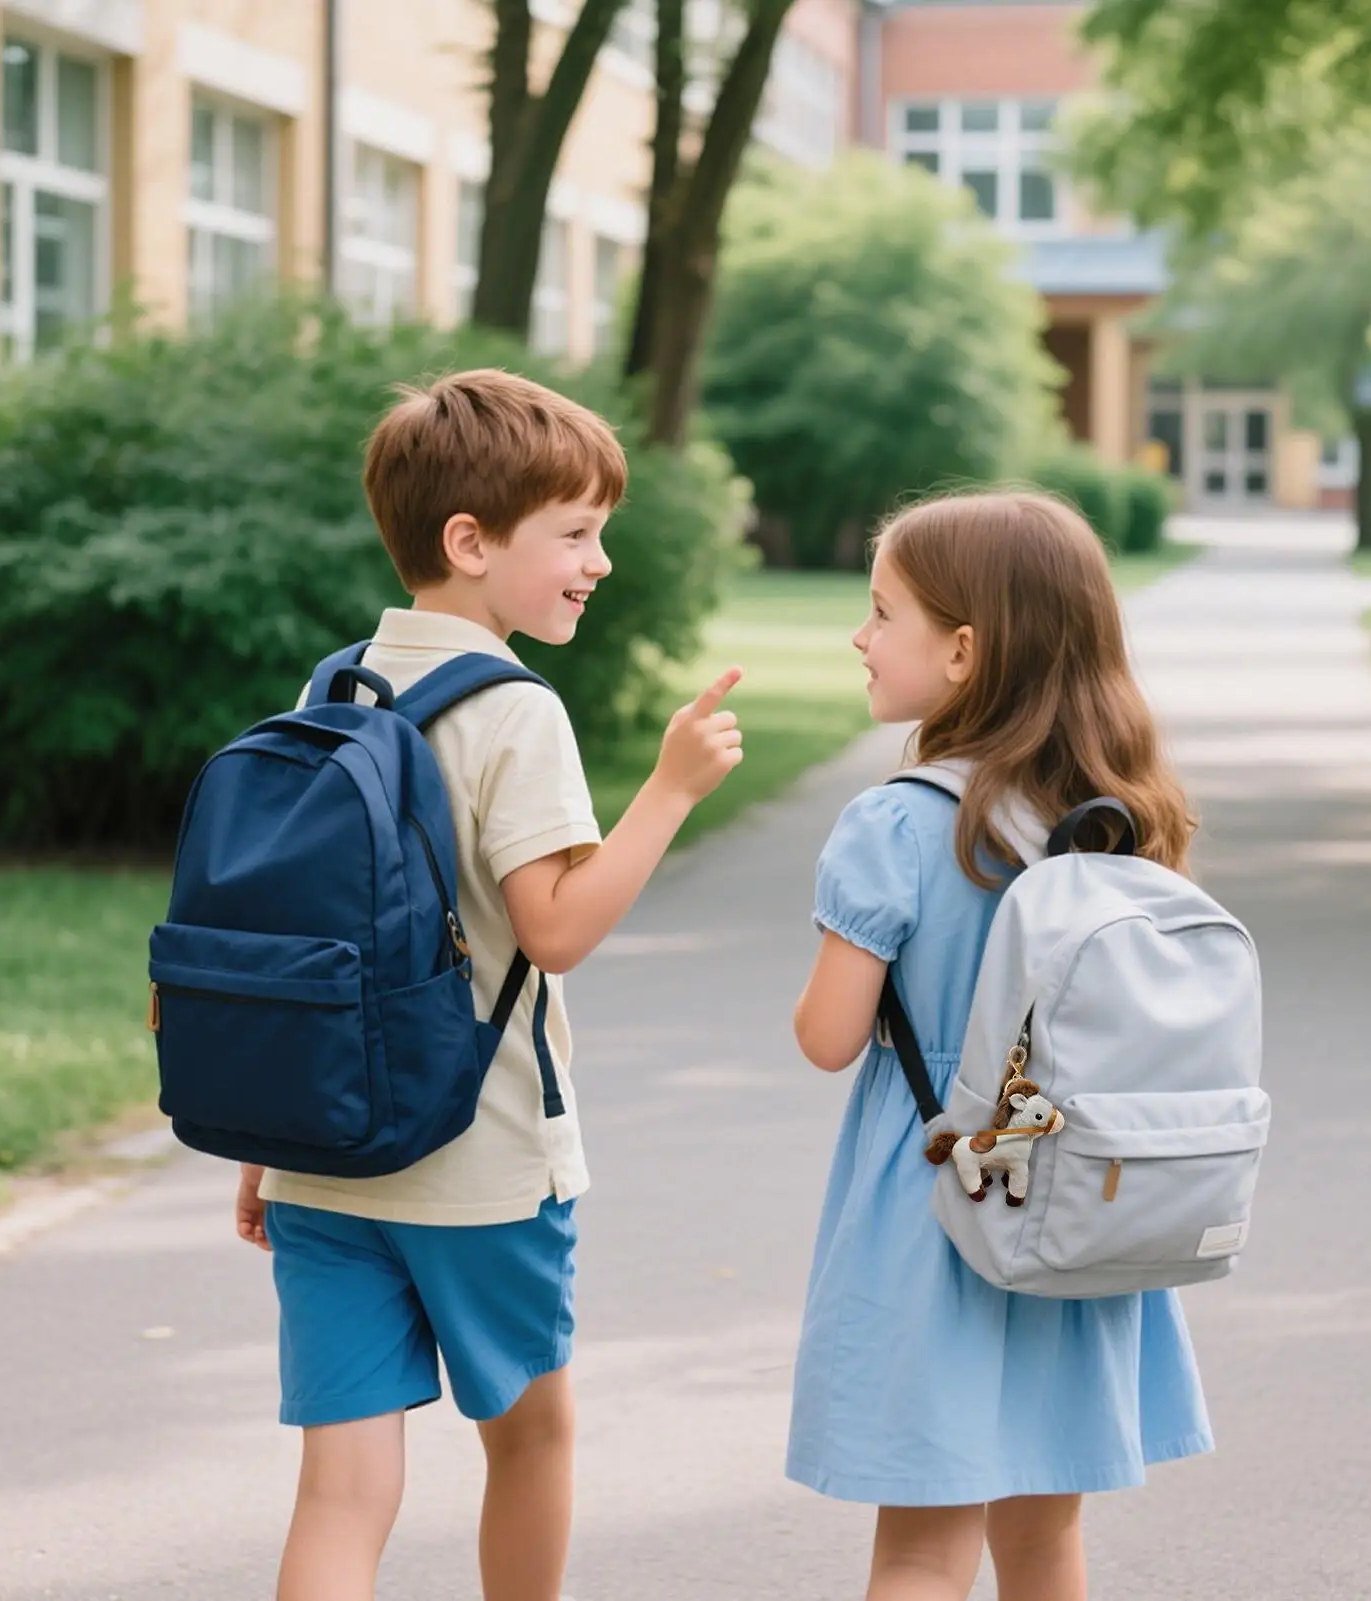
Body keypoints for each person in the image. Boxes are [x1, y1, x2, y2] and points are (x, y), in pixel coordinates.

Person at [233, 368, 744, 1601]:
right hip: (484, 1159)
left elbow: (305, 945)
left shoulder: (330, 688)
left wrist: (266, 1135)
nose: (599, 561)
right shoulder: (515, 712)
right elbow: (554, 930)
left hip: (327, 1153)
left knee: (341, 1489)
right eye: (573, 533)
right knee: (530, 1435)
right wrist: (667, 789)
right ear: (469, 542)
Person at [788, 490, 1213, 1601]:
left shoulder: (895, 823)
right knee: (1041, 1533)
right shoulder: (1125, 816)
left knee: (925, 1550)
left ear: (964, 650)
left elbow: (829, 1036)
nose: (859, 635)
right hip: (1077, 1203)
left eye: (882, 612)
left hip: (937, 1205)